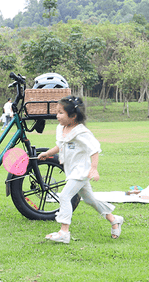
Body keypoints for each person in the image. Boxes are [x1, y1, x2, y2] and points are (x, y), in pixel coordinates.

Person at [38, 96, 123, 243]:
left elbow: (94, 149)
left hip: (81, 171)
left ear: (73, 116)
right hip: (71, 171)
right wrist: (47, 153)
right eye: (56, 112)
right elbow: (61, 146)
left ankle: (64, 232)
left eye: (60, 113)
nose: (57, 116)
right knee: (90, 200)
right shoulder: (61, 129)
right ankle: (114, 220)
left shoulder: (81, 132)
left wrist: (94, 169)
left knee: (65, 196)